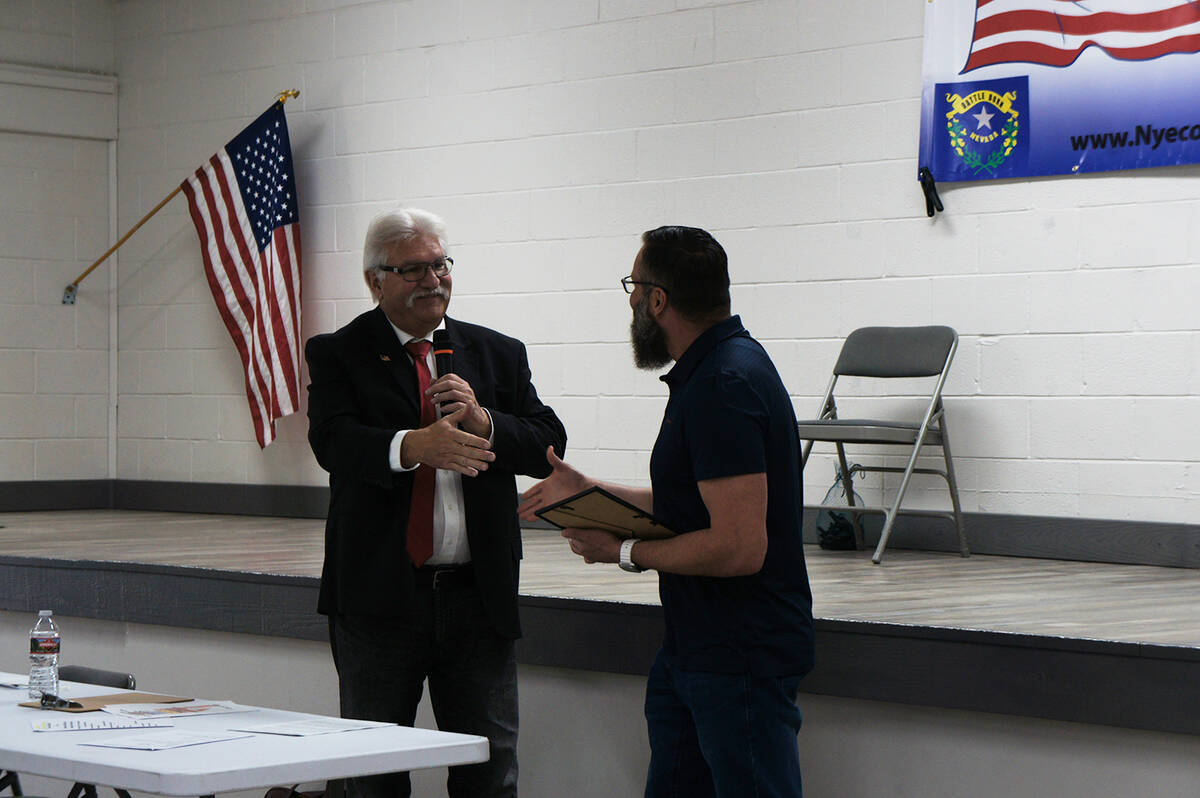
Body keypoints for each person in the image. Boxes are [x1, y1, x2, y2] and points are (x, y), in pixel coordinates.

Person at [519, 225, 814, 798]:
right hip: (695, 648)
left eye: (634, 286)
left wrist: (623, 551)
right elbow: (699, 505)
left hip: (739, 658)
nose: (630, 300)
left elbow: (738, 545)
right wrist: (589, 487)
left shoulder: (724, 385)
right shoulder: (715, 371)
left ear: (658, 299)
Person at [305, 207, 566, 798]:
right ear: (375, 280)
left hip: (477, 596)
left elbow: (549, 441)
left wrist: (485, 421)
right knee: (371, 771)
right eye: (414, 269)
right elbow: (333, 442)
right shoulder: (338, 352)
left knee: (489, 767)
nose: (434, 280)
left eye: (441, 265)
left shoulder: (497, 353)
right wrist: (413, 446)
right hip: (379, 598)